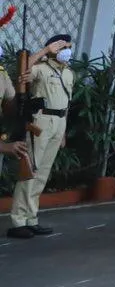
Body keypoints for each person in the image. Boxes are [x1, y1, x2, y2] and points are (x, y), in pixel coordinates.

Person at [6, 34, 75, 240]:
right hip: (41, 121)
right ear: (53, 47)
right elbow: (23, 70)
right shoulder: (41, 67)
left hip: (59, 122)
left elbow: (67, 103)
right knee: (30, 171)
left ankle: (31, 217)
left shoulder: (69, 73)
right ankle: (18, 219)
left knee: (43, 172)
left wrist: (63, 132)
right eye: (63, 46)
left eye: (69, 47)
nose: (67, 50)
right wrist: (44, 52)